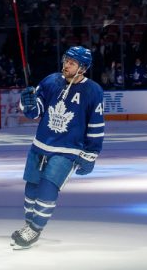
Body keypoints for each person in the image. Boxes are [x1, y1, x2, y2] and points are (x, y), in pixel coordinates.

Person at [11, 46, 105, 250]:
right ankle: (28, 225)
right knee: (31, 188)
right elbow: (35, 112)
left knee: (48, 188)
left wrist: (91, 154)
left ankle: (35, 229)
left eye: (72, 62)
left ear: (83, 68)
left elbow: (96, 125)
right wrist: (27, 104)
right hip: (40, 145)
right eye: (66, 60)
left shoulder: (93, 91)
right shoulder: (51, 81)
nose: (66, 65)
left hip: (68, 150)